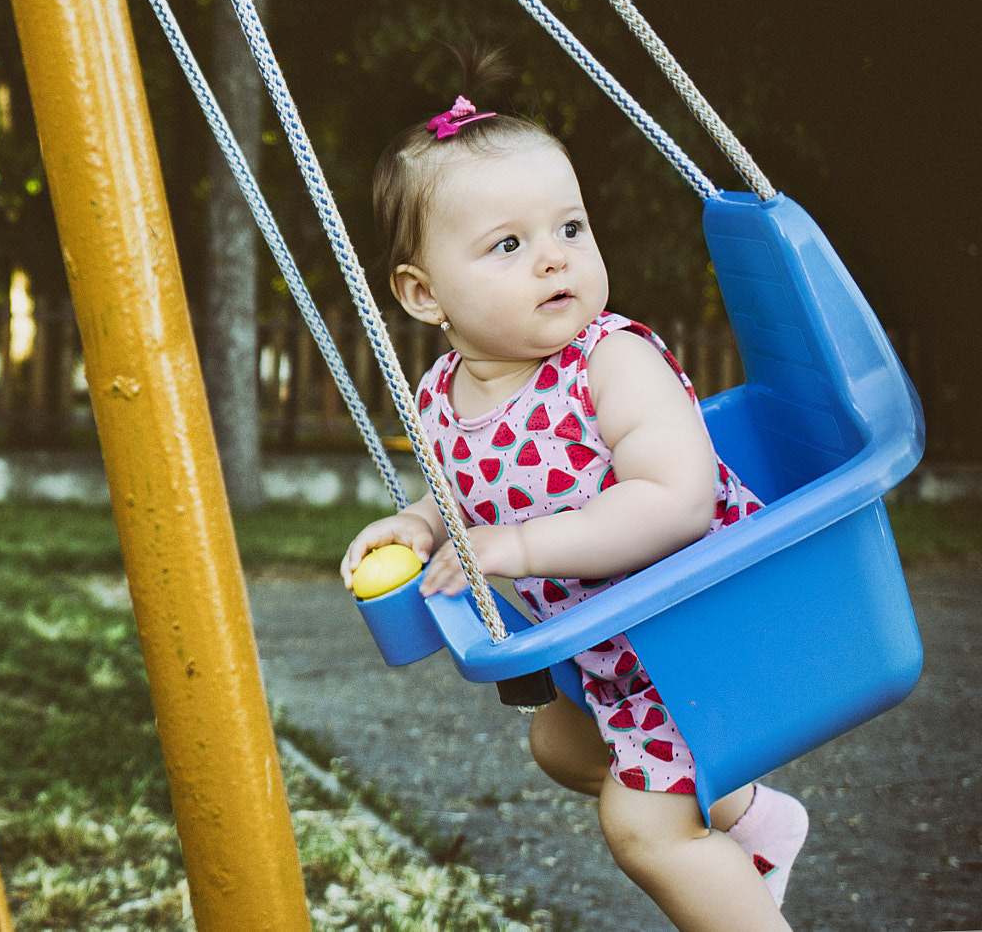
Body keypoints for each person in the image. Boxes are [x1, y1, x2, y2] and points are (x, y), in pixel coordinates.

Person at [338, 49, 808, 931]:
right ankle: (759, 819)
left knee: (642, 826)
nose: (554, 260)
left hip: (708, 623)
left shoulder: (609, 360)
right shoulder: (441, 397)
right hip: (618, 651)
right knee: (558, 740)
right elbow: (464, 496)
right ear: (422, 292)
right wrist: (417, 522)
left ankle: (745, 885)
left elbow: (678, 501)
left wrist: (517, 549)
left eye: (571, 229)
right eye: (509, 245)